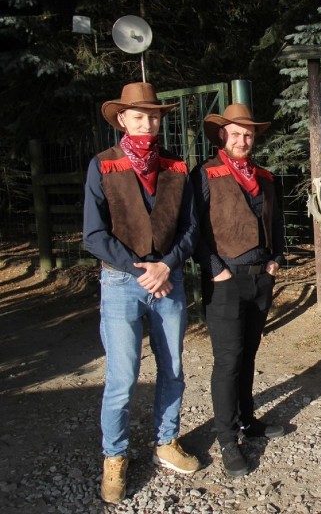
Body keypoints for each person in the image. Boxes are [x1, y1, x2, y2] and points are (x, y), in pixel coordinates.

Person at [83, 82, 200, 504]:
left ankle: (166, 441)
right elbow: (93, 234)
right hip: (121, 283)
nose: (148, 123)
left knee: (172, 368)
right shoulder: (103, 165)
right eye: (139, 116)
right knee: (121, 376)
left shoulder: (176, 166)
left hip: (168, 279)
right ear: (122, 120)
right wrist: (142, 270)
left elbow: (190, 229)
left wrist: (165, 266)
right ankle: (114, 457)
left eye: (153, 116)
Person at [192, 103, 287, 478]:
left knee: (248, 354)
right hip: (225, 279)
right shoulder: (206, 174)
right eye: (236, 133)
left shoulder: (265, 176)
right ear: (223, 136)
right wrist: (215, 270)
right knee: (228, 361)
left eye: (248, 134)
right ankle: (228, 439)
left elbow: (276, 220)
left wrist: (275, 257)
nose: (242, 139)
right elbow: (194, 229)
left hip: (260, 277)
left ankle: (247, 421)